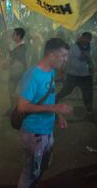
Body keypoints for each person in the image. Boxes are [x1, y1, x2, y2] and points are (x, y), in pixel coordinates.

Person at [17, 38, 73, 188]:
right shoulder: (33, 75)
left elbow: (49, 97)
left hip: (46, 130)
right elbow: (22, 107)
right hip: (34, 133)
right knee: (30, 172)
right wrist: (54, 109)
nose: (66, 60)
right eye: (63, 56)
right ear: (52, 55)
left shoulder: (51, 72)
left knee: (41, 167)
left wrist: (58, 115)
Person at [57, 32, 94, 119]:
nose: (86, 40)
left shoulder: (90, 47)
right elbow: (67, 59)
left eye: (88, 39)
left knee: (88, 93)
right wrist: (62, 69)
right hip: (73, 74)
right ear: (81, 37)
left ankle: (89, 111)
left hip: (86, 75)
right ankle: (55, 99)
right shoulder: (74, 47)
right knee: (66, 90)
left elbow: (91, 58)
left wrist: (92, 66)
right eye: (84, 38)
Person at [7, 28, 27, 113]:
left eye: (14, 34)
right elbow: (14, 56)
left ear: (18, 36)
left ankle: (15, 109)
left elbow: (18, 61)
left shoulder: (22, 47)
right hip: (16, 72)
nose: (12, 36)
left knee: (12, 90)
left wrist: (7, 65)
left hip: (18, 72)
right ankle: (14, 108)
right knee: (12, 90)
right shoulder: (19, 46)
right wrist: (10, 52)